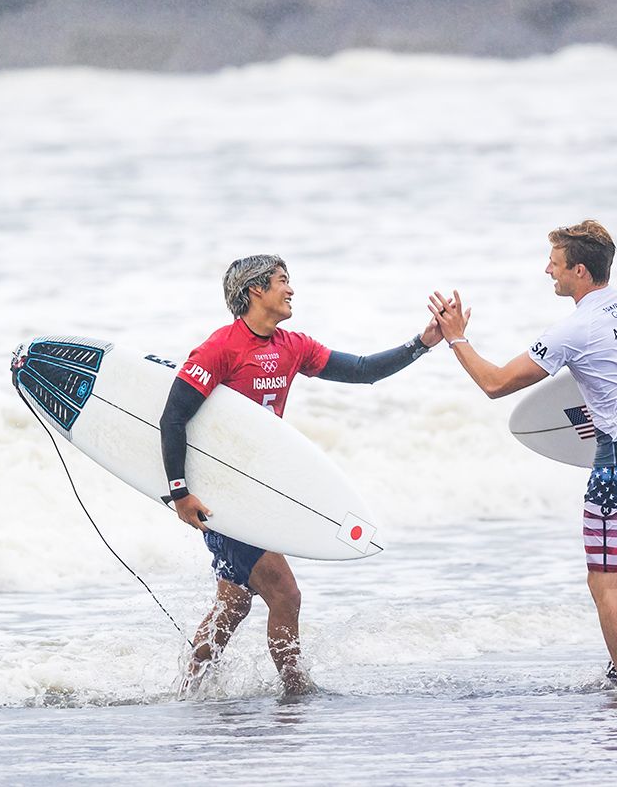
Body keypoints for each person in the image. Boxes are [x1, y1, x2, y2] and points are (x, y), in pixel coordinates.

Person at [160, 254, 446, 694]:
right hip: (224, 496)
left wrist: (422, 343)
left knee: (234, 604)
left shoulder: (291, 346)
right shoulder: (220, 348)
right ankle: (296, 690)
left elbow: (363, 370)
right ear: (255, 290)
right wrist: (180, 493)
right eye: (281, 281)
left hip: (260, 492)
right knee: (285, 595)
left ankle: (187, 691)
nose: (290, 290)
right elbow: (173, 417)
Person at [428, 220, 617, 689]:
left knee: (603, 581)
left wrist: (456, 337)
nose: (548, 271)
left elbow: (496, 383)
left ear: (580, 271)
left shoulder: (574, 329)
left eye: (556, 263)